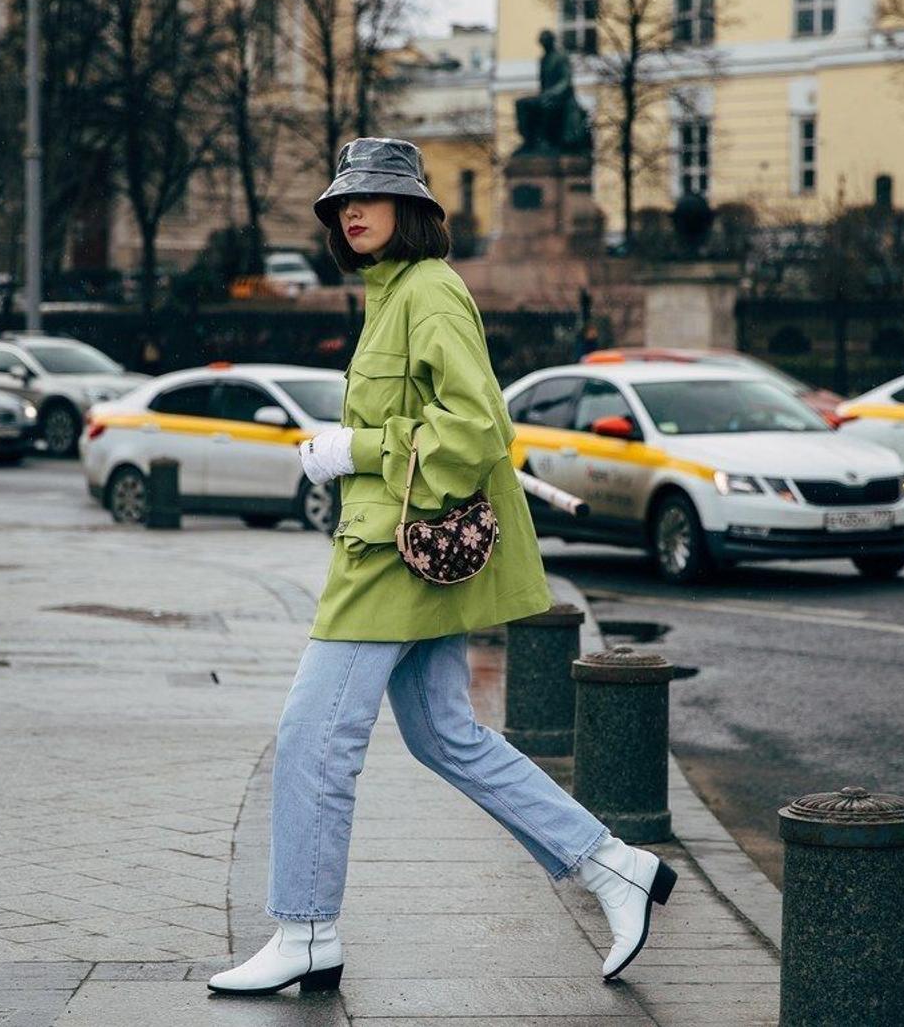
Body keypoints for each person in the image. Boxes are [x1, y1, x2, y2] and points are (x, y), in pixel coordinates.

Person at [207, 137, 676, 997]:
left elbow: (474, 429)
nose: (351, 212)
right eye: (342, 202)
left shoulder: (430, 293)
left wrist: (357, 448)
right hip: (399, 548)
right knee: (443, 734)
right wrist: (351, 452)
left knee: (315, 738)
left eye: (373, 198)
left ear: (413, 210)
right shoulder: (392, 295)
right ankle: (614, 865)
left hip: (393, 555)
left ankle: (307, 927)